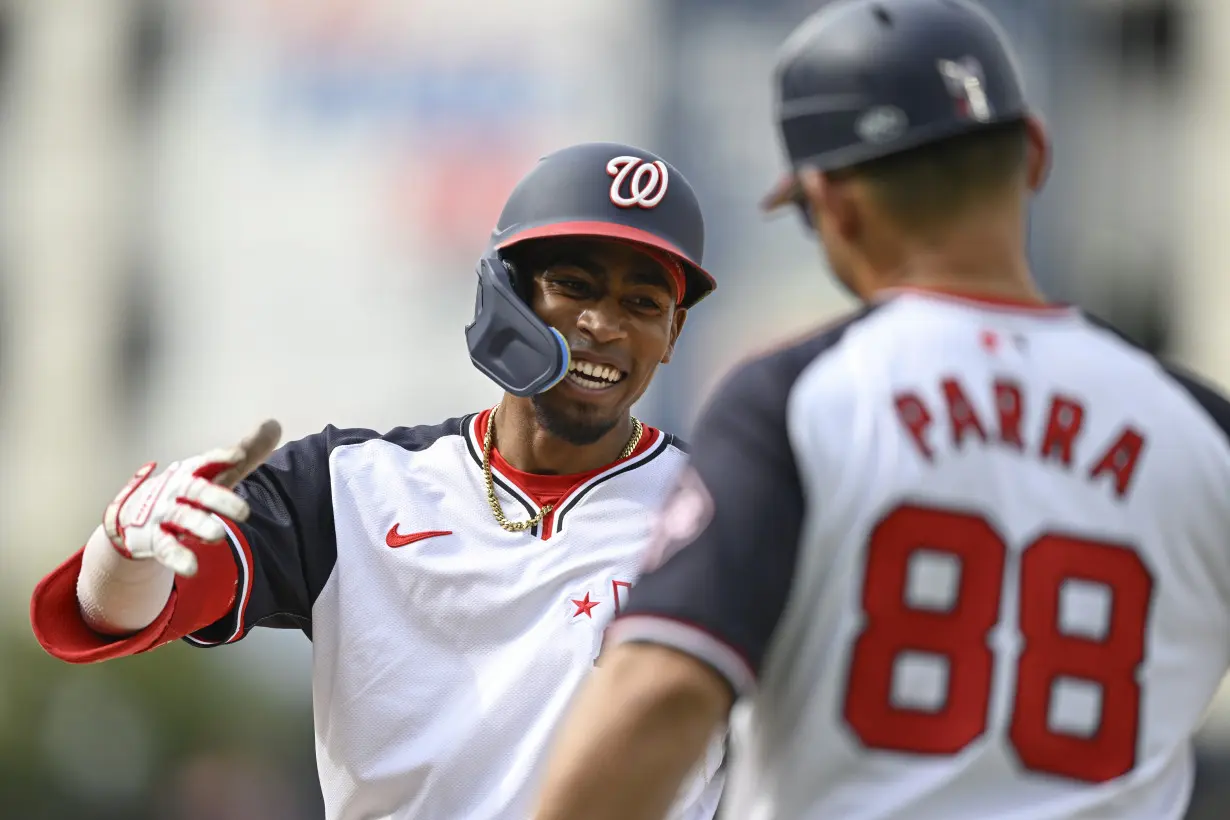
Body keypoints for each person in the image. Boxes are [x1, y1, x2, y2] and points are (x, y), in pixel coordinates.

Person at [531, 2, 1230, 819]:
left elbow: (660, 694)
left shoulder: (799, 399)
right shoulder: (1201, 431)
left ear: (833, 203)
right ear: (1034, 154)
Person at [29, 141, 727, 820]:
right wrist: (125, 550)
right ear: (506, 292)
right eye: (572, 286)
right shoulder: (353, 486)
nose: (603, 325)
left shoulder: (725, 514)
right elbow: (121, 613)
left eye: (643, 304)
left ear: (673, 334)